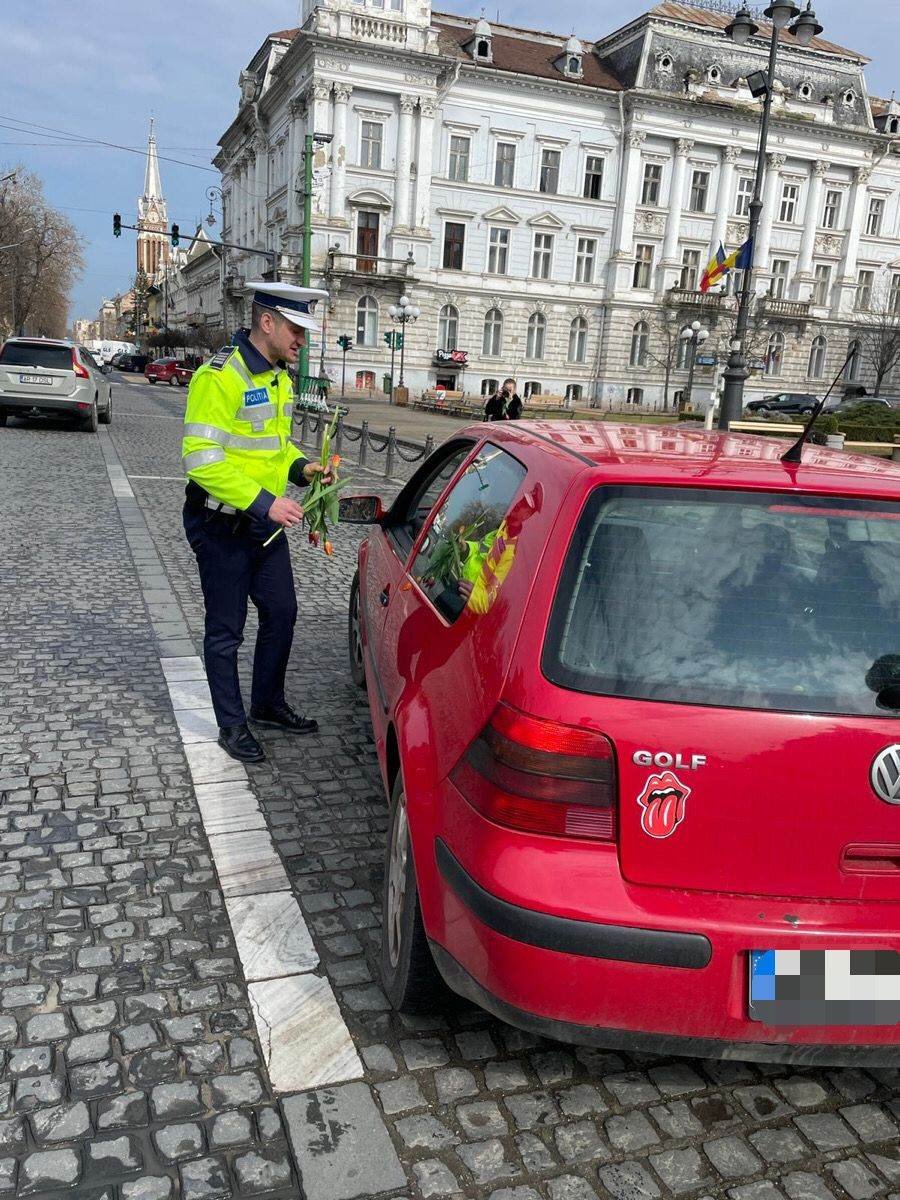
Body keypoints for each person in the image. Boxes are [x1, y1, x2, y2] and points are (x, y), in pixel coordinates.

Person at [181, 281, 332, 764]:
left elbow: (275, 446)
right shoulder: (218, 377)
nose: (302, 342)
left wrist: (302, 468)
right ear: (267, 322)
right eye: (296, 330)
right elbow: (202, 461)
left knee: (282, 613)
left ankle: (266, 704)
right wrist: (266, 502)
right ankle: (231, 724)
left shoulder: (279, 378)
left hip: (262, 528)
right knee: (226, 632)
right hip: (222, 525)